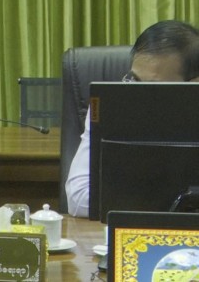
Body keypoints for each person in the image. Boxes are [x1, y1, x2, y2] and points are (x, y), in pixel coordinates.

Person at [65, 20, 199, 217]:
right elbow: (78, 198)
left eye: (153, 87)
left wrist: (128, 199)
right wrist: (175, 205)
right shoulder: (109, 109)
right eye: (134, 80)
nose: (137, 94)